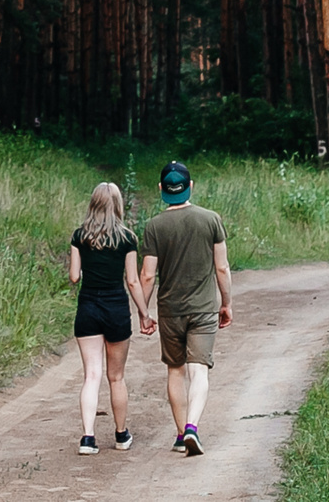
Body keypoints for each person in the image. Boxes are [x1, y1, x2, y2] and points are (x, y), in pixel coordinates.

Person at [137, 160, 232, 457]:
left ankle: (181, 434)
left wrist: (144, 311)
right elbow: (222, 267)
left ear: (161, 190)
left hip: (170, 310)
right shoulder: (211, 219)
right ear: (190, 187)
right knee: (199, 371)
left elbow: (148, 275)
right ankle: (193, 427)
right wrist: (226, 302)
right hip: (203, 309)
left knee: (175, 371)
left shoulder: (154, 226)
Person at [66, 181, 148, 454]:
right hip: (116, 308)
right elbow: (133, 281)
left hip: (88, 307)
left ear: (93, 204)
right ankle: (121, 435)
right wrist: (144, 313)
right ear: (117, 205)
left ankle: (88, 438)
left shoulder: (79, 236)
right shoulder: (127, 238)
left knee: (92, 375)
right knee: (116, 377)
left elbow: (74, 277)